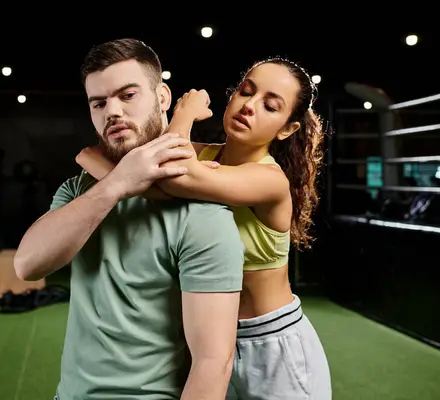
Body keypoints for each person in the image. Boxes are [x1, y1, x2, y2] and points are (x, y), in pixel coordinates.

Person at [77, 57, 332, 399]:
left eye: (270, 106)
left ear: (287, 129)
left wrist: (184, 112)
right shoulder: (204, 154)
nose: (249, 107)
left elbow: (171, 176)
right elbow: (148, 178)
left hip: (271, 342)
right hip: (213, 340)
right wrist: (89, 157)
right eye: (246, 92)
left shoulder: (269, 180)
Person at [13, 38, 245, 400]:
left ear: (163, 97)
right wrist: (116, 185)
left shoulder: (203, 213)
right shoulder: (80, 191)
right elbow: (27, 265)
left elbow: (213, 363)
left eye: (127, 95)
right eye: (99, 103)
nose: (112, 112)